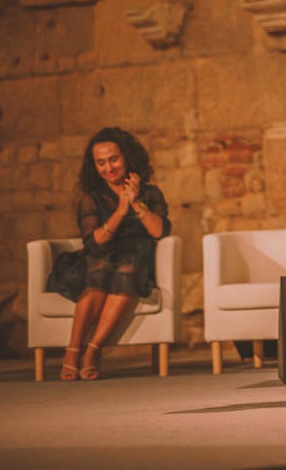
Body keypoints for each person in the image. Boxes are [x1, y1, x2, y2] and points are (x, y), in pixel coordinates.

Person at [46, 128, 170, 381]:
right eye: (101, 162)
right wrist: (122, 209)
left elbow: (158, 231)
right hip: (99, 257)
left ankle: (93, 351)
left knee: (127, 269)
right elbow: (94, 241)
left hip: (135, 258)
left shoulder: (150, 193)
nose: (108, 167)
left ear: (127, 158)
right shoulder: (91, 198)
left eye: (113, 159)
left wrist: (135, 203)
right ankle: (72, 351)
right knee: (99, 268)